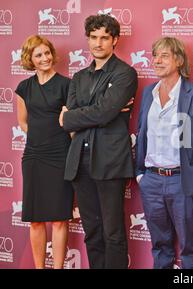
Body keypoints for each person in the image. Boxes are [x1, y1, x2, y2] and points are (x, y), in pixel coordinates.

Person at [59, 14, 138, 269]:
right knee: (92, 230)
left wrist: (76, 116)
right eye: (93, 37)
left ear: (114, 40)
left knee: (112, 232)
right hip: (79, 162)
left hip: (109, 161)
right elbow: (69, 119)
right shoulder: (79, 77)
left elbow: (102, 112)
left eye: (104, 37)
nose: (98, 43)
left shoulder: (126, 73)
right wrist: (83, 115)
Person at [135, 37, 193, 269]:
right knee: (160, 246)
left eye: (164, 56)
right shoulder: (148, 92)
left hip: (183, 181)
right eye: (155, 56)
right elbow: (142, 133)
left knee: (189, 248)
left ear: (178, 60)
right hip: (151, 181)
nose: (157, 61)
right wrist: (141, 175)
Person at [15, 35, 73, 269]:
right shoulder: (23, 88)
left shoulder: (67, 85)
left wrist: (56, 141)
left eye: (47, 53)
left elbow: (70, 122)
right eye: (38, 55)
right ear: (30, 59)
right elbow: (23, 122)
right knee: (36, 220)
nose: (45, 58)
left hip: (60, 155)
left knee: (59, 218)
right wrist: (40, 139)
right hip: (34, 157)